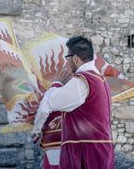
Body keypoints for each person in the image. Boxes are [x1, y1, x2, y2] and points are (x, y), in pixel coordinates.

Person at [31, 36, 114, 169]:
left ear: (75, 58)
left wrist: (56, 84)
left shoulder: (82, 81)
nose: (67, 63)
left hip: (84, 151)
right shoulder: (101, 80)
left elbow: (48, 104)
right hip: (101, 149)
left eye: (68, 58)